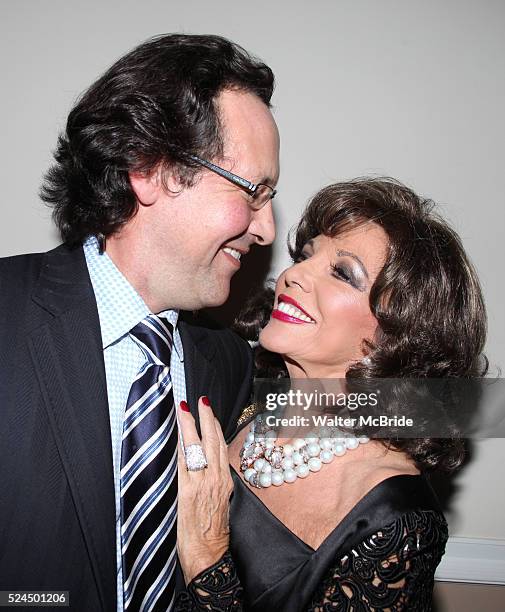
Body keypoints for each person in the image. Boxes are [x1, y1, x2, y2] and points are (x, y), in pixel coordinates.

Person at [0, 34, 279, 611]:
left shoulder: (226, 362)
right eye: (253, 192)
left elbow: (379, 408)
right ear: (149, 168)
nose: (267, 230)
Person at [174, 178, 487, 611]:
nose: (293, 275)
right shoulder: (240, 396)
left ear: (394, 335)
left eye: (342, 273)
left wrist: (206, 557)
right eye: (305, 256)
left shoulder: (395, 519)